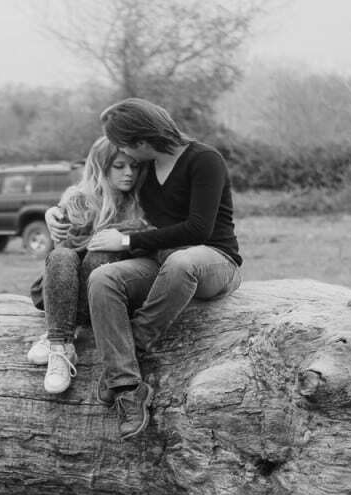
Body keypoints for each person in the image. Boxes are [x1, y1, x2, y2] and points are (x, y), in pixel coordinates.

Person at [84, 98, 243, 440]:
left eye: (124, 144)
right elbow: (101, 188)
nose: (123, 152)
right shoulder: (145, 170)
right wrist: (61, 213)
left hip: (212, 261)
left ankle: (131, 352)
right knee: (102, 279)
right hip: (160, 262)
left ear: (141, 140)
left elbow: (198, 229)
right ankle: (127, 386)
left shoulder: (204, 160)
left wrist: (127, 244)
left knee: (181, 261)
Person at [26, 136, 151, 395]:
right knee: (62, 256)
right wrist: (54, 216)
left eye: (134, 166)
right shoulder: (79, 200)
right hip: (65, 286)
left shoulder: (143, 202)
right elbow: (62, 253)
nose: (129, 173)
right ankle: (60, 346)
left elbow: (148, 234)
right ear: (101, 166)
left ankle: (56, 333)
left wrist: (119, 239)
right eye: (119, 166)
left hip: (107, 296)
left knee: (100, 255)